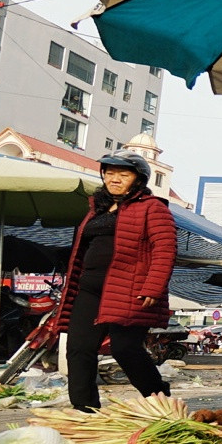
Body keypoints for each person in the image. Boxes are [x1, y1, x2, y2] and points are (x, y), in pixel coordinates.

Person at [53, 150, 177, 412]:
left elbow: (165, 249)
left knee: (124, 348)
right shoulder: (95, 210)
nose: (115, 179)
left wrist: (153, 286)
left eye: (123, 174)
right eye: (109, 173)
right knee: (78, 348)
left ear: (138, 179)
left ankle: (159, 397)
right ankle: (85, 410)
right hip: (89, 289)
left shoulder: (152, 208)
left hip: (129, 289)